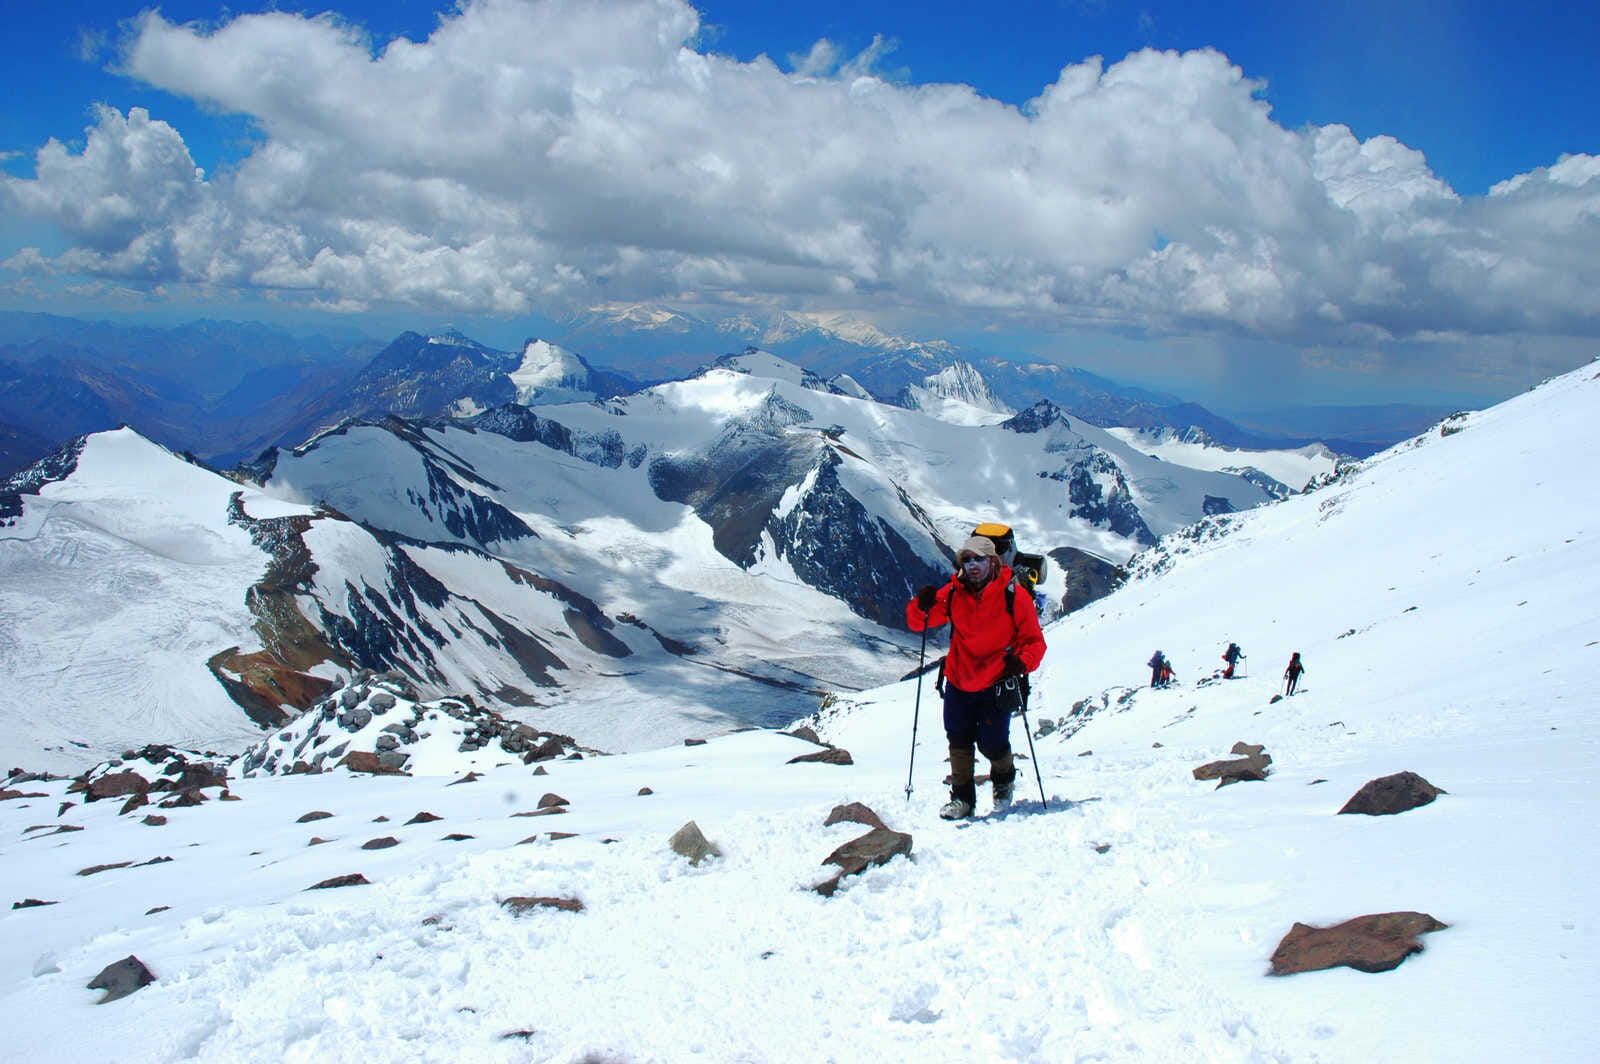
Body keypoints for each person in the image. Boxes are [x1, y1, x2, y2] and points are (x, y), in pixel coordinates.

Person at [908, 535, 1047, 819]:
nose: (972, 565)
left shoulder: (1013, 595)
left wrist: (1022, 663)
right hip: (959, 678)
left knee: (992, 742)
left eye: (979, 559)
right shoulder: (954, 592)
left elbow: (1034, 641)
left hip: (996, 681)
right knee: (958, 740)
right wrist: (921, 604)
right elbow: (918, 621)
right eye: (967, 560)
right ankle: (962, 799)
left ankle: (1004, 778)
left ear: (992, 562)